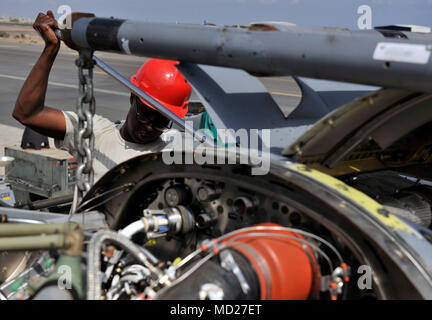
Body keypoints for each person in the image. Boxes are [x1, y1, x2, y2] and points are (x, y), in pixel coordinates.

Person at [12, 11, 192, 183]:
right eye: (144, 114)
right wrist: (51, 48)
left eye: (161, 121)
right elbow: (27, 113)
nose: (150, 127)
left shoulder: (174, 147)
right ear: (133, 97)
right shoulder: (96, 133)